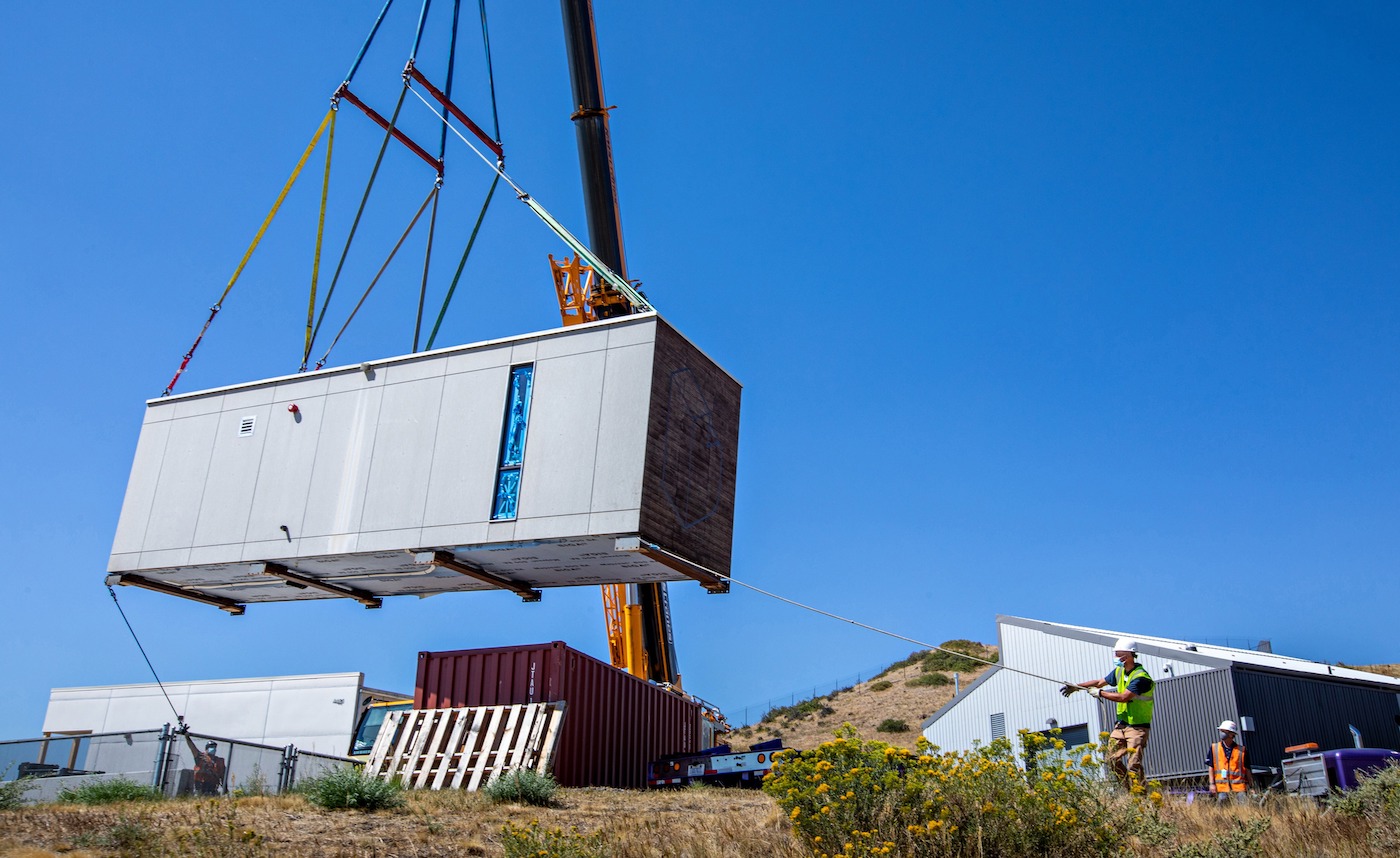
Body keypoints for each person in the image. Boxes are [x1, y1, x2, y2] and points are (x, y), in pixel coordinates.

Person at [1060, 637, 1154, 788]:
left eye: (1118, 654)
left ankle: (1140, 796)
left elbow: (1124, 697)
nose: (1116, 657)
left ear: (1128, 655)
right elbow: (1099, 682)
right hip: (1121, 726)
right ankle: (1130, 789)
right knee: (1110, 759)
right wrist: (1076, 686)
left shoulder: (1141, 678)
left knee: (1133, 765)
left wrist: (1101, 693)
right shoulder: (1119, 671)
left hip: (1137, 728)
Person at [1207, 719, 1250, 801]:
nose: (1221, 733)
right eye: (1221, 731)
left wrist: (1251, 786)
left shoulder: (1242, 750)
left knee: (1244, 806)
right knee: (1222, 807)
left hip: (1239, 787)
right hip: (1222, 787)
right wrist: (1212, 784)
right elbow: (1211, 767)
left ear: (1231, 734)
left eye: (1224, 731)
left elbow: (1247, 769)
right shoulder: (1214, 748)